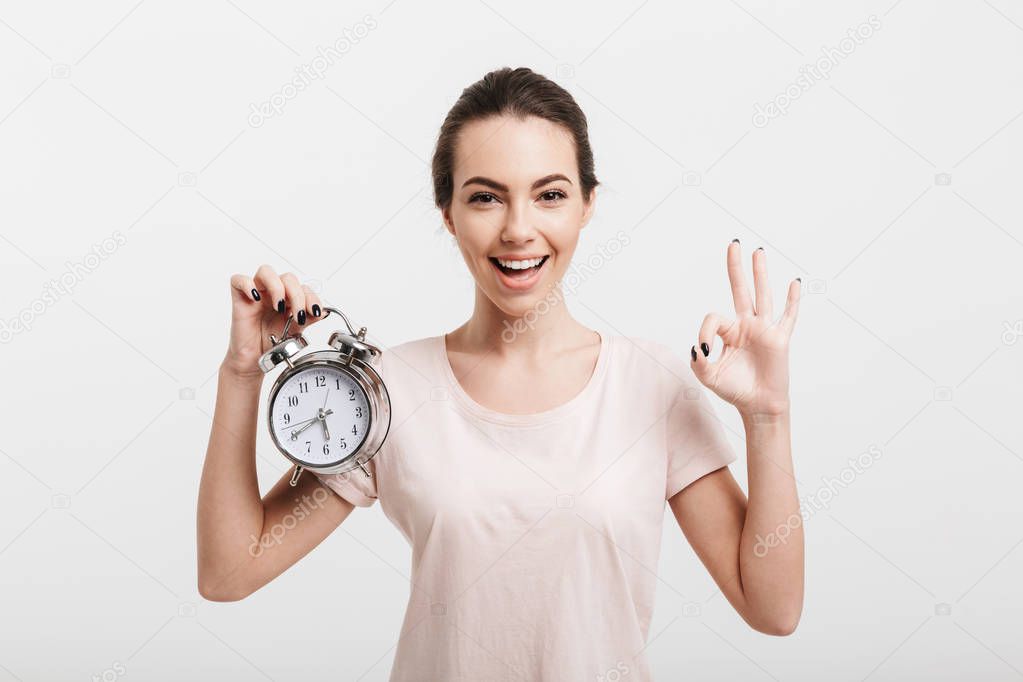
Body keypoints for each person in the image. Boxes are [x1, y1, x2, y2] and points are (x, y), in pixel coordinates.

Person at [197, 66, 804, 681]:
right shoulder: (386, 390)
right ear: (448, 212)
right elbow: (229, 572)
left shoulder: (651, 384)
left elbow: (773, 609)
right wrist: (242, 373)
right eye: (486, 196)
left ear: (588, 204)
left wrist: (766, 417)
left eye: (550, 194)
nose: (518, 229)